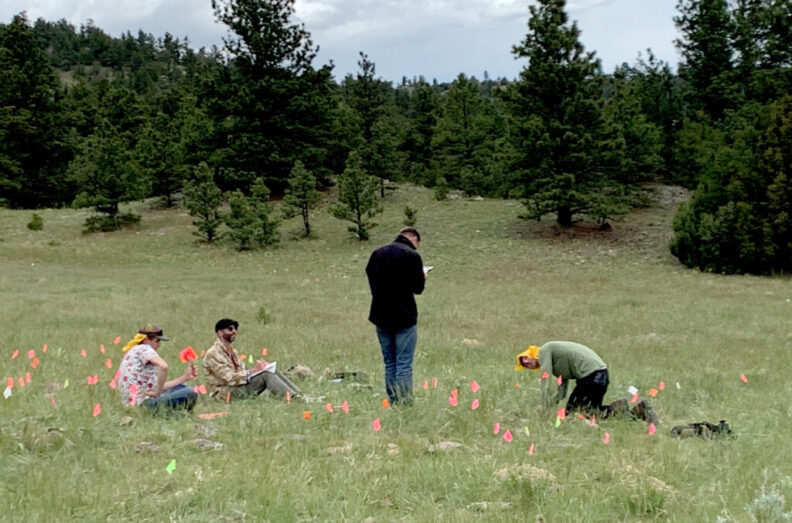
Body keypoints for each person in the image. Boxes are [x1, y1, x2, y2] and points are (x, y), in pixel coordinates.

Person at [515, 341, 657, 423]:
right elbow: (562, 391)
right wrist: (551, 404)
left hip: (591, 375)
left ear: (532, 353)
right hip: (601, 375)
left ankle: (623, 409)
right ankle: (636, 412)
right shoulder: (557, 363)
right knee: (592, 413)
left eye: (526, 358)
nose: (527, 362)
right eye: (524, 364)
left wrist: (544, 407)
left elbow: (545, 378)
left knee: (571, 412)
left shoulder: (545, 350)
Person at [366, 226, 427, 405]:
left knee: (390, 362)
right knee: (403, 363)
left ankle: (393, 400)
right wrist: (422, 278)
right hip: (404, 316)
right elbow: (418, 289)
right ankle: (405, 402)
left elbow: (371, 278)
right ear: (414, 239)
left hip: (380, 314)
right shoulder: (412, 256)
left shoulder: (377, 254)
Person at [203, 318, 301, 400]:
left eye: (235, 328)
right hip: (223, 394)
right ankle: (293, 398)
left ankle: (298, 394)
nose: (234, 331)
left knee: (270, 370)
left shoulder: (232, 352)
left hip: (235, 387)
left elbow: (241, 374)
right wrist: (254, 371)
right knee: (265, 375)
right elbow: (229, 378)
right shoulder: (213, 354)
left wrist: (258, 370)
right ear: (220, 333)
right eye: (230, 329)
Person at [118, 324, 198, 411]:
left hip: (134, 403)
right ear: (146, 340)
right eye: (157, 341)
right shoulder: (144, 348)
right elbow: (163, 366)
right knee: (190, 392)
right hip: (141, 403)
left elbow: (155, 387)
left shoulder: (135, 351)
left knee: (181, 387)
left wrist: (185, 377)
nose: (159, 345)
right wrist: (157, 393)